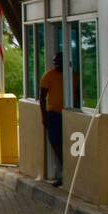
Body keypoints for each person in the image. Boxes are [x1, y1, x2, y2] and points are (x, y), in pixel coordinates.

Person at [38, 52, 65, 186]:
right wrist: (44, 117)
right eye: (55, 62)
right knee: (55, 143)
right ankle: (63, 170)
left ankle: (66, 173)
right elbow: (42, 97)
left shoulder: (73, 75)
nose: (56, 64)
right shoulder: (48, 76)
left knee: (66, 144)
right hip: (53, 115)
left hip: (68, 114)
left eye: (59, 61)